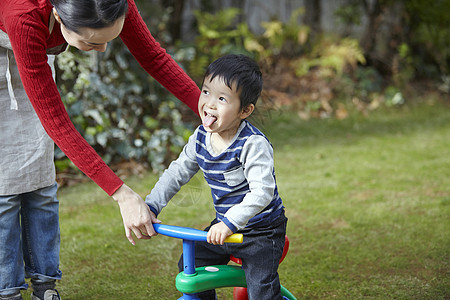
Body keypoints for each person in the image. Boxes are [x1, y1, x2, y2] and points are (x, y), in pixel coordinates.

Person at [0, 0, 200, 299]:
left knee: (39, 177)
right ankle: (7, 289)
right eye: (91, 42)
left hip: (33, 56)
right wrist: (121, 193)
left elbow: (154, 58)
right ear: (57, 15)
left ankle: (44, 286)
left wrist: (212, 111)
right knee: (3, 184)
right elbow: (57, 121)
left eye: (109, 39)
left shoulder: (110, 3)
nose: (103, 49)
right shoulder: (24, 15)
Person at [145, 54, 288, 300]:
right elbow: (177, 173)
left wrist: (230, 222)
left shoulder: (252, 144)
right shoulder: (200, 138)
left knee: (261, 289)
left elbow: (262, 192)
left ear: (245, 110)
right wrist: (152, 205)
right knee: (192, 267)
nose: (210, 104)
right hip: (224, 227)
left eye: (222, 98)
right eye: (206, 92)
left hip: (261, 232)